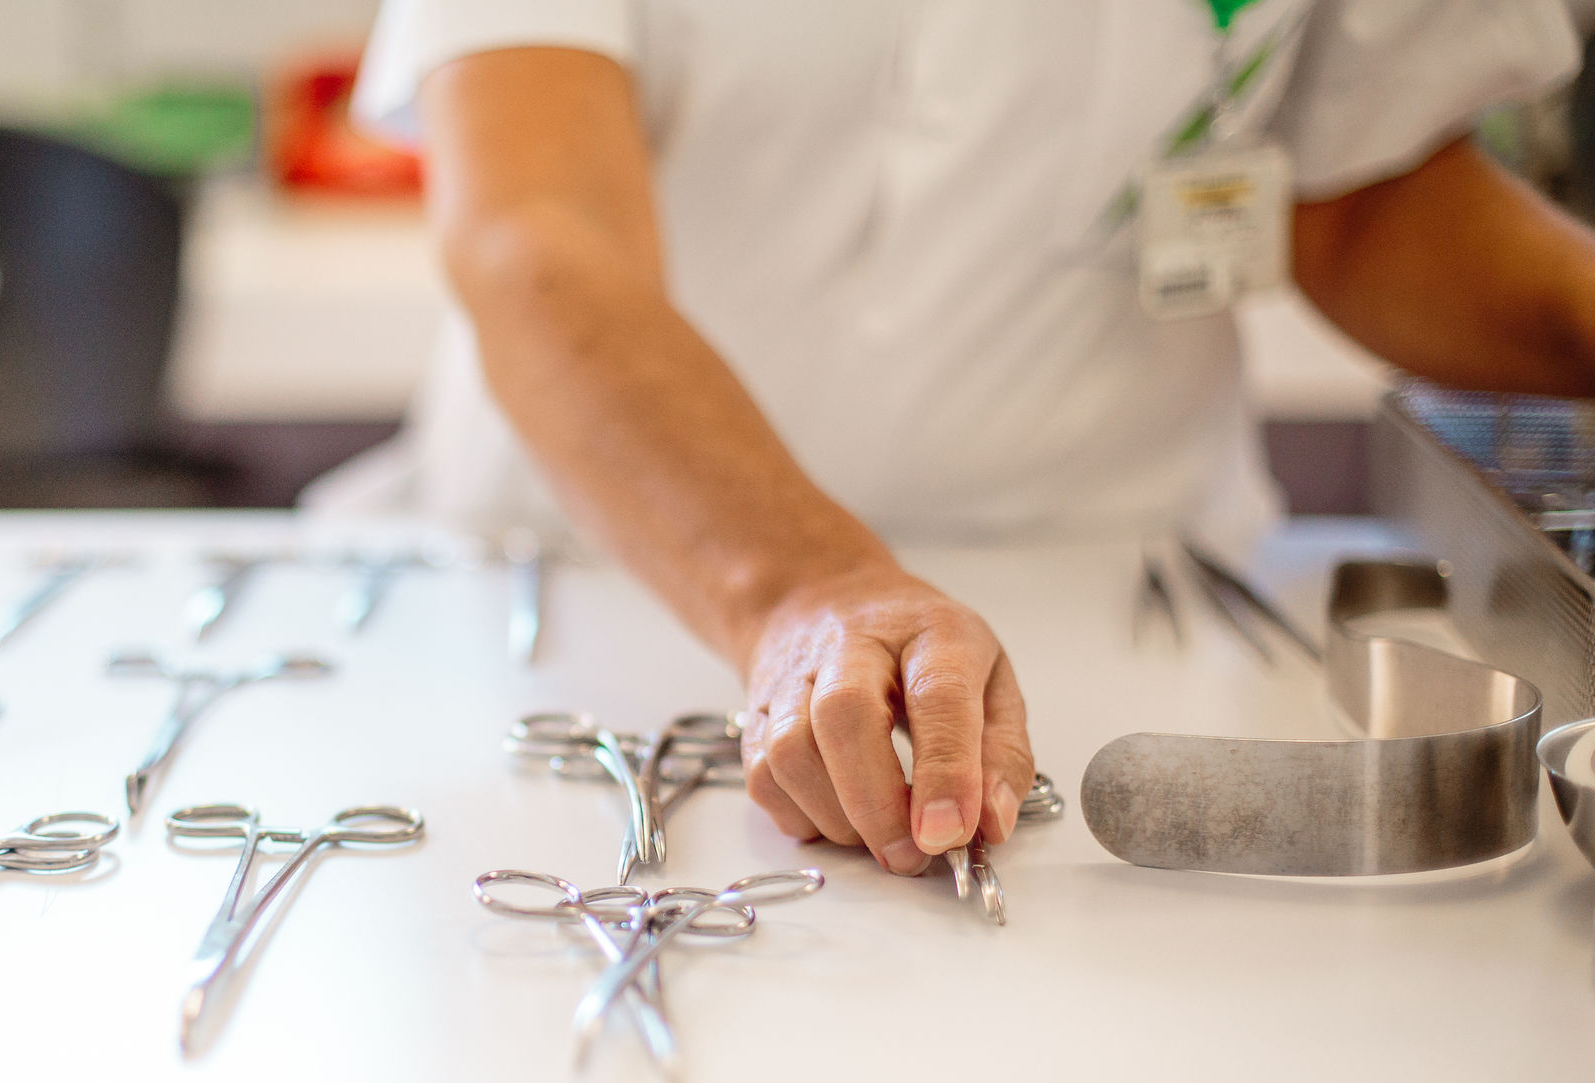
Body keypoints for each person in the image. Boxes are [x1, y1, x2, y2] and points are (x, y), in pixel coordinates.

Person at [316, 0, 1595, 876]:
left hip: (1128, 598)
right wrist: (804, 588)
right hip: (599, 587)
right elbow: (538, 231)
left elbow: (1360, 209)